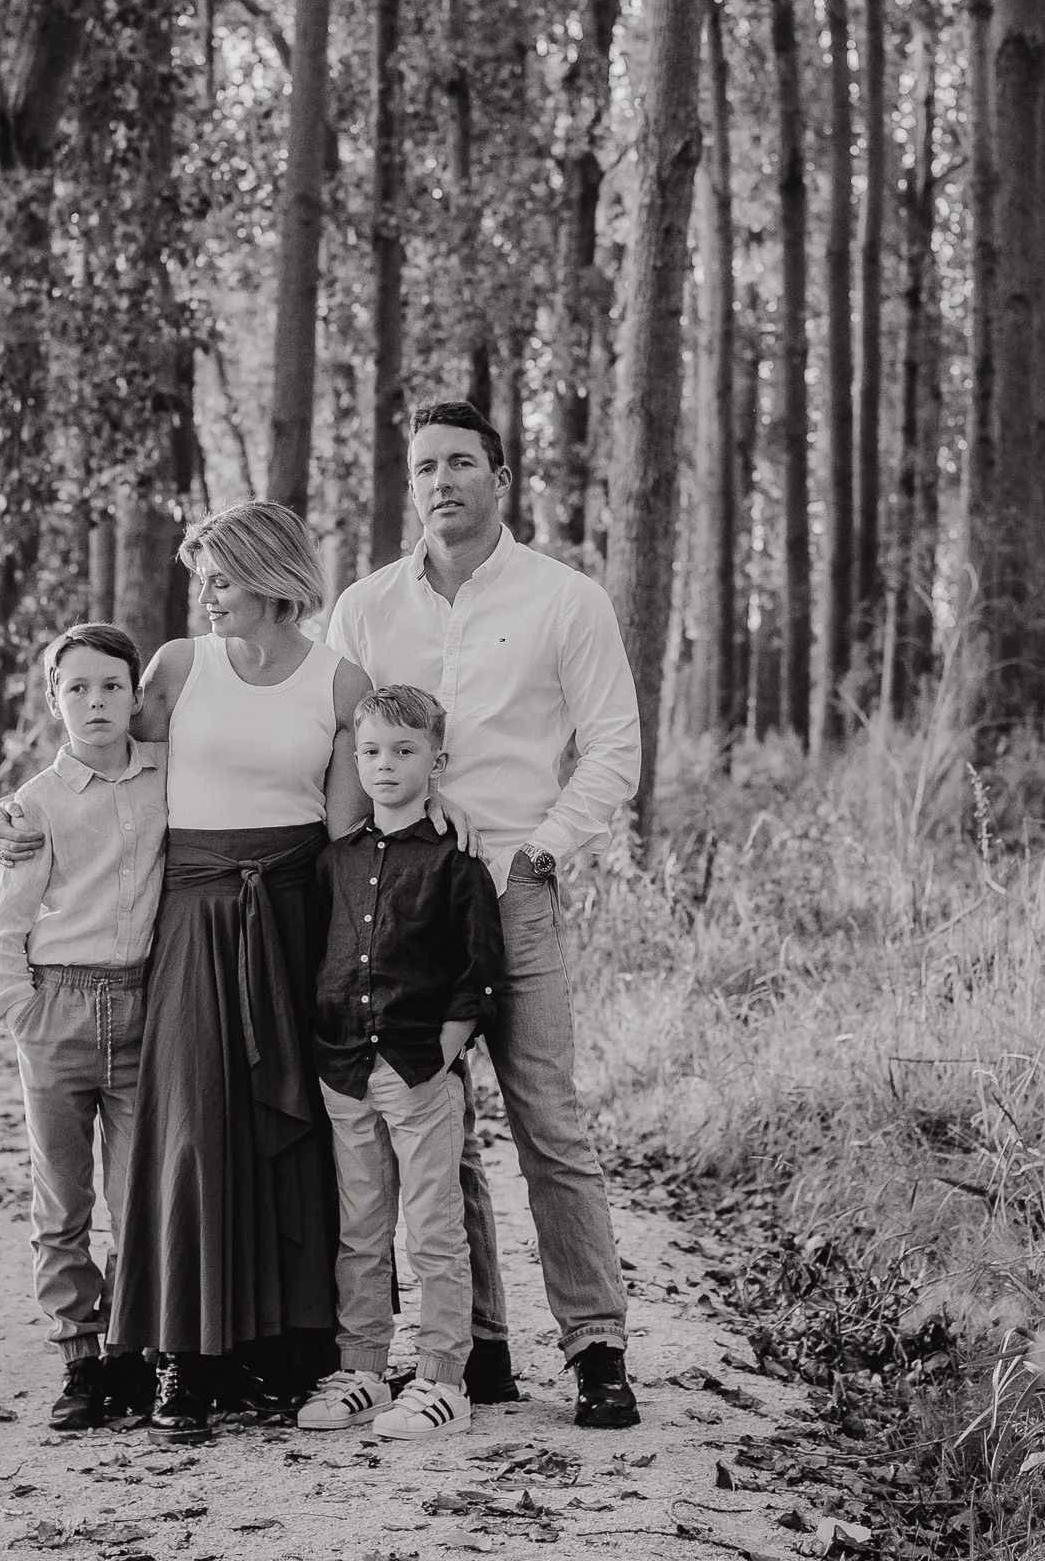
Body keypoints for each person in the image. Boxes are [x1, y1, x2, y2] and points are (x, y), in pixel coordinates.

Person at [0, 501, 374, 1438]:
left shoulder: (339, 681)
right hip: (193, 916)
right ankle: (184, 1355)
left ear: (273, 577)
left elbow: (347, 827)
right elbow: (102, 756)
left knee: (292, 1135)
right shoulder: (176, 666)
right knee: (192, 1129)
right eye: (201, 578)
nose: (205, 594)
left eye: (222, 577)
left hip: (293, 913)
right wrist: (15, 816)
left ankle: (286, 1352)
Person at [327, 398, 644, 1429]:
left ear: (500, 479)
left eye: (461, 462)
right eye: (425, 465)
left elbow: (613, 747)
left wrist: (543, 847)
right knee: (437, 1122)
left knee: (547, 1117)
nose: (441, 481)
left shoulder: (564, 599)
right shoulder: (365, 609)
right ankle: (480, 1346)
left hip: (514, 890)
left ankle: (596, 1348)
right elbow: (338, 751)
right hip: (406, 906)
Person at [0, 623, 165, 1433]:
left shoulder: (168, 779)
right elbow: (6, 918)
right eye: (77, 688)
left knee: (138, 1194)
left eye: (112, 686)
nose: (96, 702)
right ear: (54, 701)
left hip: (144, 1005)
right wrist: (21, 1010)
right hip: (59, 1006)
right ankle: (79, 1356)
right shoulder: (35, 805)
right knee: (62, 1198)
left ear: (136, 695)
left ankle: (129, 1350)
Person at [297, 685, 504, 1441]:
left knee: (434, 1230)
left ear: (436, 763)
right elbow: (318, 958)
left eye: (404, 751)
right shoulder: (336, 862)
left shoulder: (457, 863)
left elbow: (479, 976)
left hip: (419, 1072)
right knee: (360, 1228)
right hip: (344, 1072)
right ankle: (362, 1370)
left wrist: (437, 1058)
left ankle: (443, 1380)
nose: (385, 765)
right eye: (372, 752)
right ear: (356, 761)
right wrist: (329, 1049)